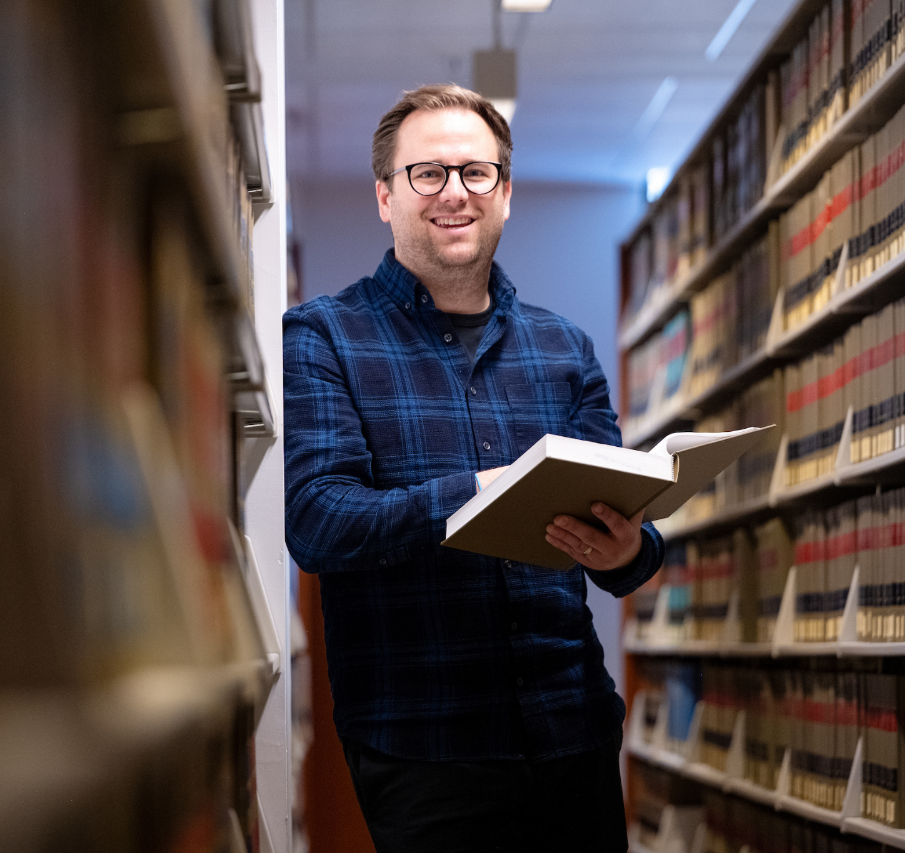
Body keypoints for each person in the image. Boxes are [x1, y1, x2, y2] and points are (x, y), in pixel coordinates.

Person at [283, 84, 664, 853]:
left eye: (476, 173)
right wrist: (476, 495)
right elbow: (318, 520)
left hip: (573, 732)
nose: (454, 192)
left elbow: (630, 543)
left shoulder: (566, 349)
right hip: (424, 742)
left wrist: (631, 549)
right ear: (385, 197)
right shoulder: (323, 335)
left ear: (506, 193)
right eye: (428, 173)